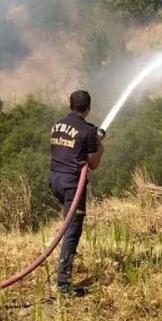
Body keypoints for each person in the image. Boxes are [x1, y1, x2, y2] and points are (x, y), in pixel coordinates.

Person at [49, 90, 105, 296]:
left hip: (55, 180)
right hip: (73, 184)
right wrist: (100, 147)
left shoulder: (57, 125)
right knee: (73, 229)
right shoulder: (88, 131)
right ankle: (63, 284)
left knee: (69, 223)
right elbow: (93, 163)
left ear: (70, 105)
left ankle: (65, 254)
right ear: (88, 109)